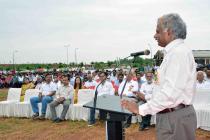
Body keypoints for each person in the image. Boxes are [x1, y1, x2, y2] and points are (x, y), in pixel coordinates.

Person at [121, 13, 197, 140]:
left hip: (175, 117)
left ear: (169, 32)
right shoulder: (171, 54)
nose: (154, 35)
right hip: (169, 115)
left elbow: (170, 94)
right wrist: (145, 97)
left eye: (158, 31)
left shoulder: (179, 53)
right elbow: (162, 88)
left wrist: (141, 109)